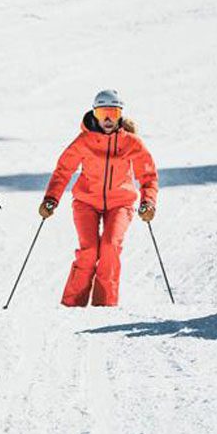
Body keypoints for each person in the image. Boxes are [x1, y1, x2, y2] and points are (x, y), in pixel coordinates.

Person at [40, 89, 159, 307]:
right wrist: (51, 199)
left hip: (120, 203)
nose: (107, 119)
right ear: (94, 114)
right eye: (102, 113)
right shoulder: (84, 141)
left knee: (110, 248)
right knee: (89, 252)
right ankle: (71, 306)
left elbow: (148, 175)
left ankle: (104, 307)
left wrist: (147, 202)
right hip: (86, 202)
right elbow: (63, 170)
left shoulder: (131, 142)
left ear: (120, 115)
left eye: (112, 114)